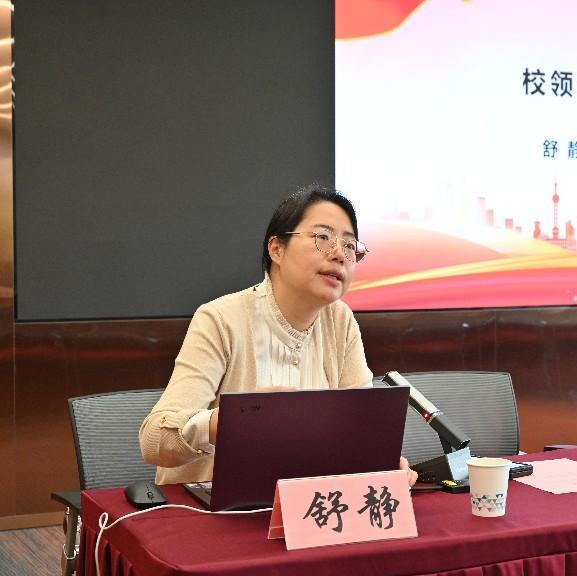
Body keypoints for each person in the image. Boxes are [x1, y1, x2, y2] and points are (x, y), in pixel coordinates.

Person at [139, 184, 418, 486]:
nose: (339, 254)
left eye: (350, 246)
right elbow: (154, 439)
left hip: (307, 504)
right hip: (219, 507)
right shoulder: (221, 319)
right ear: (276, 249)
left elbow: (360, 428)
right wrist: (233, 420)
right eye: (322, 238)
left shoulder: (340, 321)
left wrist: (381, 460)